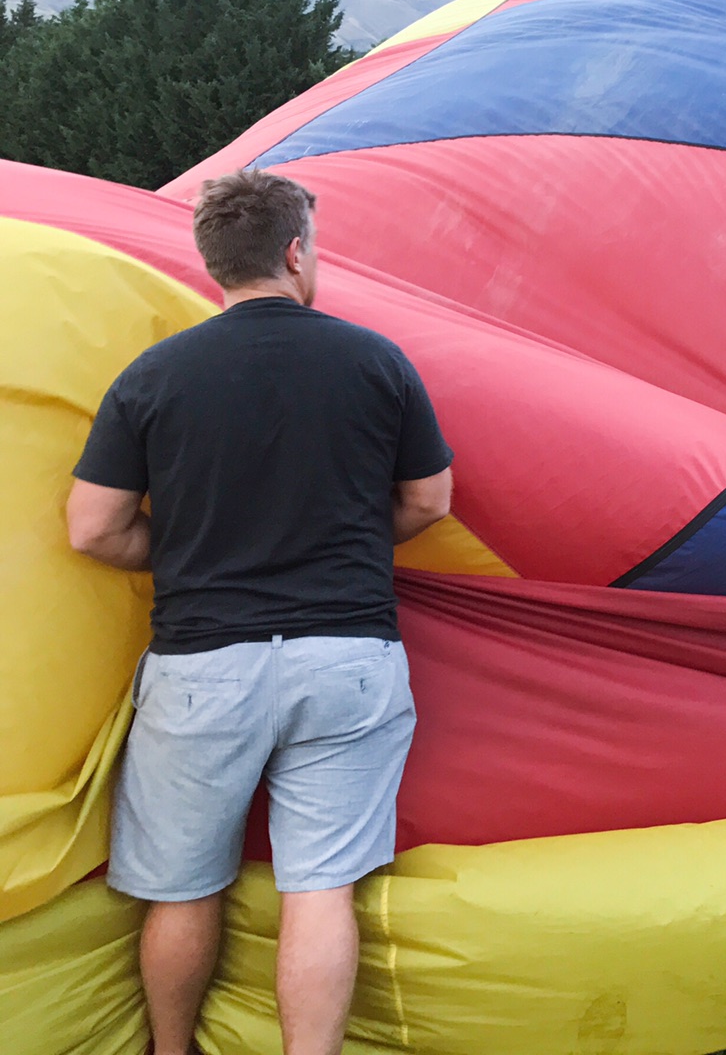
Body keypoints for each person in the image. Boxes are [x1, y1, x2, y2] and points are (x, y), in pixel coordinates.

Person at [65, 170, 454, 1055]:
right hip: (347, 658)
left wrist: (190, 546)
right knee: (319, 890)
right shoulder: (375, 359)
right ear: (294, 251)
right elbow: (429, 502)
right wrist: (346, 537)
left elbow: (92, 530)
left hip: (204, 666)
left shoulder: (154, 374)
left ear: (215, 265)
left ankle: (171, 1051)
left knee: (182, 889)